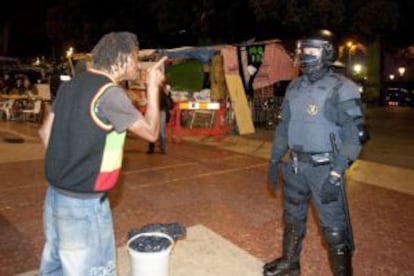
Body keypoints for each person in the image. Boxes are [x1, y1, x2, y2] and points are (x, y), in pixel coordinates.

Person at [38, 31, 165, 275]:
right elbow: (151, 132)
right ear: (125, 58)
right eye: (136, 58)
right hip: (84, 203)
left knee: (55, 265)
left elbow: (45, 133)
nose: (137, 65)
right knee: (92, 269)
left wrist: (66, 167)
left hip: (55, 196)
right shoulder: (110, 94)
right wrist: (152, 87)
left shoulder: (70, 85)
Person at [263, 29, 369, 276]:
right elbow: (284, 126)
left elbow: (356, 136)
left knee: (333, 230)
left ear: (328, 52)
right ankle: (290, 264)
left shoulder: (343, 88)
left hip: (325, 170)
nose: (305, 54)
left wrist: (336, 174)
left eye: (312, 49)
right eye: (302, 49)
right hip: (295, 167)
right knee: (292, 219)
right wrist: (274, 158)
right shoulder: (294, 86)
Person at [146, 83, 174, 154]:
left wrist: (167, 95)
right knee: (153, 130)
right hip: (155, 112)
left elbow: (171, 105)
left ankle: (162, 148)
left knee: (161, 131)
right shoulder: (157, 92)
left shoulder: (167, 95)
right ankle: (152, 148)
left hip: (161, 112)